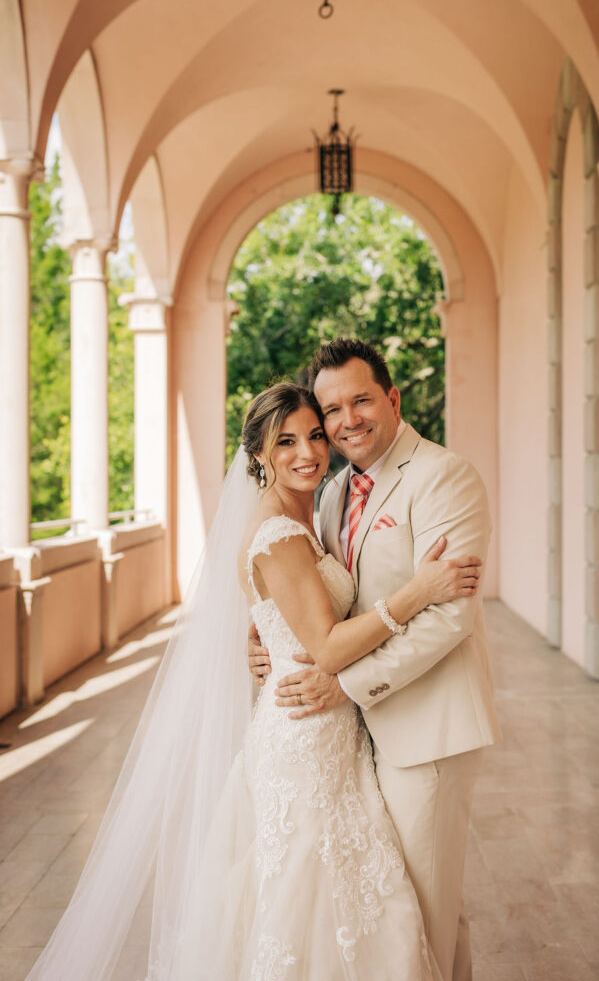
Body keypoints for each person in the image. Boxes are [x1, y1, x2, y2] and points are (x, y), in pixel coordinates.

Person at [25, 381, 477, 981]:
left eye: (315, 435)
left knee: (332, 893)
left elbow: (293, 613)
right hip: (307, 736)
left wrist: (262, 628)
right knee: (306, 897)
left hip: (327, 730)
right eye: (285, 441)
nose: (308, 452)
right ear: (258, 454)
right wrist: (418, 591)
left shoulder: (317, 510)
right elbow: (327, 645)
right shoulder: (278, 533)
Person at [249, 340, 502, 981]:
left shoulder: (444, 475)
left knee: (421, 909)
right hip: (357, 739)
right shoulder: (331, 492)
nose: (345, 420)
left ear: (393, 397)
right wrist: (266, 641)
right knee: (415, 914)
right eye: (331, 409)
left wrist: (346, 684)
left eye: (361, 400)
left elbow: (450, 616)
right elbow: (311, 597)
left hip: (426, 731)